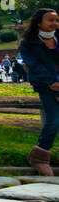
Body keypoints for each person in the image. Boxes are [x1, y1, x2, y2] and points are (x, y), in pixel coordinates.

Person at [20, 9, 59, 175]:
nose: (55, 23)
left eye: (57, 20)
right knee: (54, 121)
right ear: (39, 22)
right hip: (47, 86)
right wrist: (52, 82)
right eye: (50, 20)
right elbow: (35, 66)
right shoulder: (28, 43)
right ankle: (40, 157)